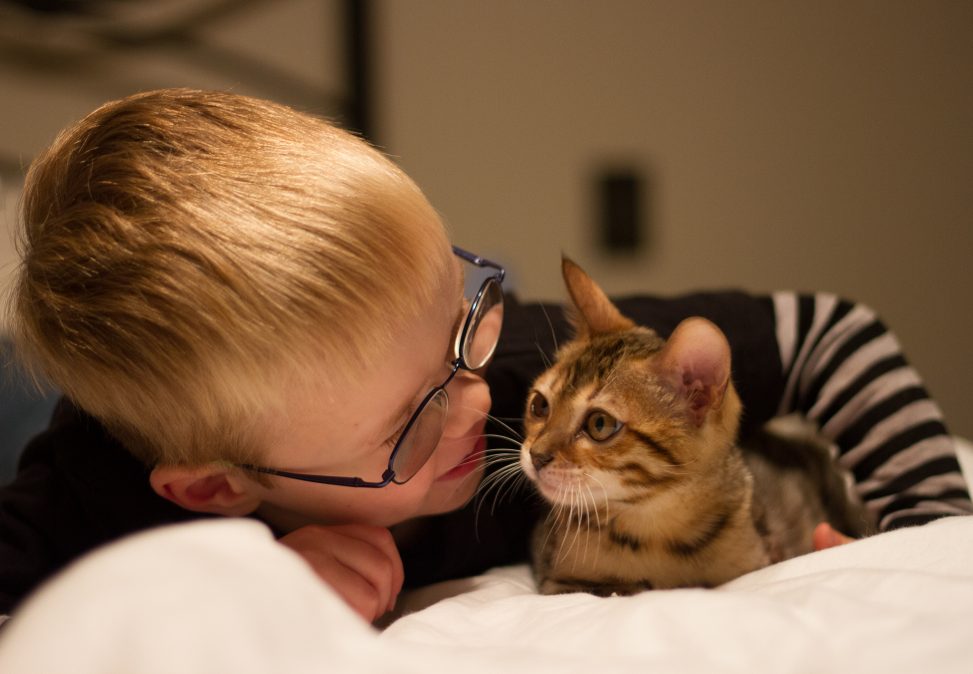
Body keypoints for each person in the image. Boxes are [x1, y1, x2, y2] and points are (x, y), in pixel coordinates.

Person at [1, 89, 969, 627]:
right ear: (218, 488)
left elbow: (831, 331)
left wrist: (925, 531)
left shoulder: (503, 377)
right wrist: (243, 586)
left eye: (463, 321)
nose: (478, 407)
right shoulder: (92, 494)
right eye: (412, 420)